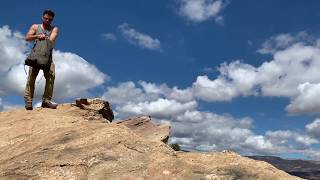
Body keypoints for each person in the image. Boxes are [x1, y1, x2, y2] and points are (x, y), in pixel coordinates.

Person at [24, 9, 59, 110]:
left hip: (48, 57)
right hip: (35, 56)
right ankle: (28, 100)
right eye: (45, 18)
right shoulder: (35, 26)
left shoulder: (54, 29)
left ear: (52, 20)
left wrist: (46, 38)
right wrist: (37, 36)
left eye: (50, 19)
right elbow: (27, 37)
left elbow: (52, 40)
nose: (47, 20)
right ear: (42, 17)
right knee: (31, 78)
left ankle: (46, 101)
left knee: (51, 77)